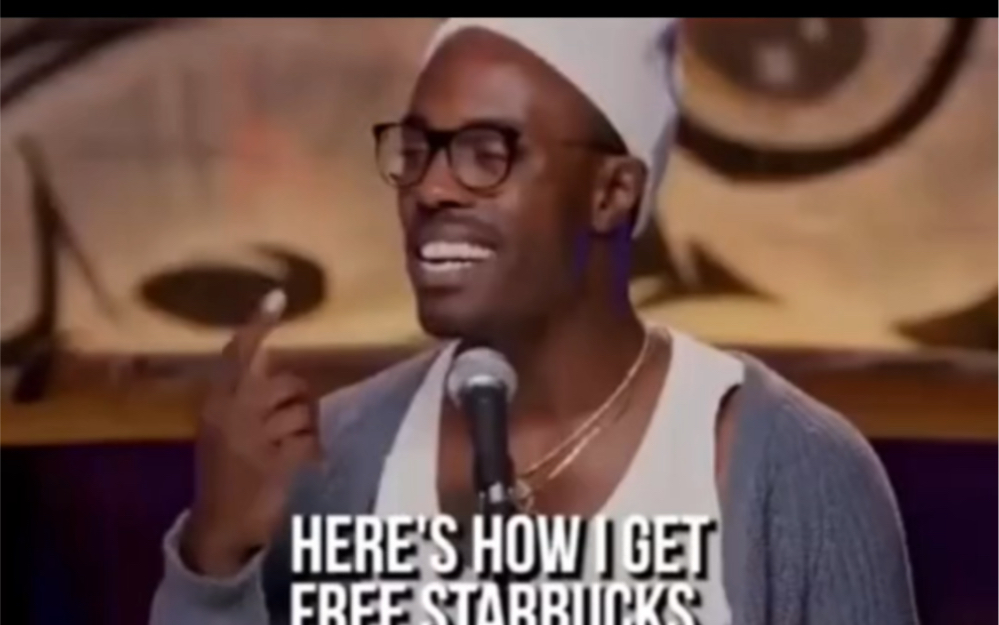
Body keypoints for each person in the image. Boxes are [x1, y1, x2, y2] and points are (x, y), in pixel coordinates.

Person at [150, 18, 919, 625]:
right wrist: (217, 552)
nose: (430, 188)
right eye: (416, 149)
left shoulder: (791, 470)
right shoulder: (332, 458)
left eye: (487, 153)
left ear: (612, 192)